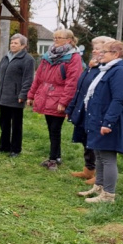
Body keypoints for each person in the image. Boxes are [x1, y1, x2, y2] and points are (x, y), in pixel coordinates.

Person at [77, 40, 123, 203]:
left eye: (104, 52)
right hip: (98, 119)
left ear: (116, 54)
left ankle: (109, 195)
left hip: (109, 122)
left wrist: (108, 122)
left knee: (108, 157)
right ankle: (99, 186)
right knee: (99, 154)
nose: (99, 54)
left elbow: (119, 99)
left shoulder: (121, 71)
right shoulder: (108, 69)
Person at [27, 29, 83, 170]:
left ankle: (53, 159)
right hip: (45, 96)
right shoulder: (48, 55)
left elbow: (72, 83)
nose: (55, 40)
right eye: (54, 37)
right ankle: (56, 156)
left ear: (69, 40)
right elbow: (38, 77)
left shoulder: (73, 57)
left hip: (58, 98)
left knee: (55, 129)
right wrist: (31, 95)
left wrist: (64, 102)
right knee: (51, 128)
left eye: (59, 38)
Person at [66, 36, 114, 182]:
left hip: (96, 111)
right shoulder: (91, 67)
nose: (94, 50)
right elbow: (81, 88)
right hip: (84, 108)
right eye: (94, 47)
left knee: (95, 142)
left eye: (98, 48)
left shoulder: (107, 69)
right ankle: (89, 169)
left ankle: (99, 174)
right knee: (85, 139)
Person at [0, 33, 35, 157]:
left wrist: (23, 95)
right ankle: (3, 146)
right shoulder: (5, 57)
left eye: (16, 43)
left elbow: (28, 79)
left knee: (16, 125)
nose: (12, 45)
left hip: (16, 97)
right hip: (3, 96)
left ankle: (15, 149)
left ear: (23, 46)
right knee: (3, 122)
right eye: (12, 43)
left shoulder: (28, 59)